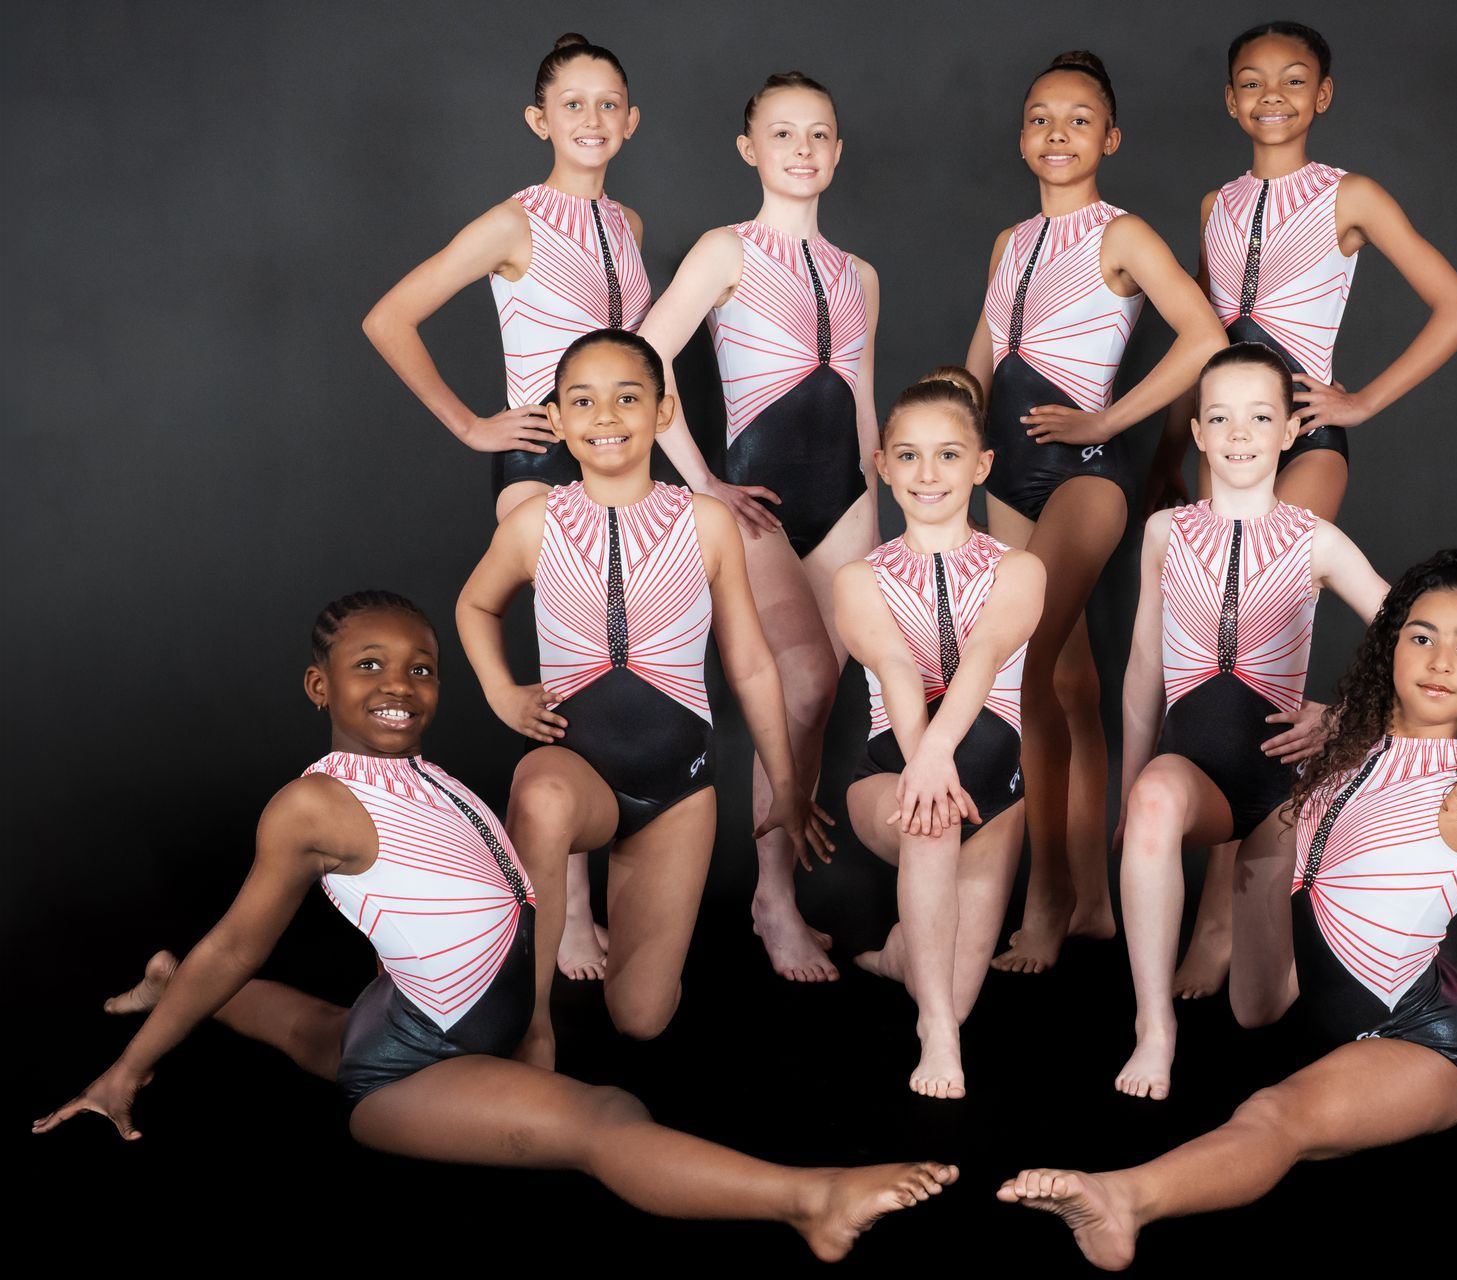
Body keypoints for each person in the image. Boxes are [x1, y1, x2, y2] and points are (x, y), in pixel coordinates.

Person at [32, 592, 956, 1263]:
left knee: (322, 1028)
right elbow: (238, 945)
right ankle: (808, 1199)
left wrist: (538, 1020)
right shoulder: (313, 807)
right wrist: (123, 1074)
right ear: (318, 685)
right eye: (369, 668)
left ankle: (166, 980)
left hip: (424, 1010)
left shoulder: (428, 774)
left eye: (420, 668)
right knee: (599, 1118)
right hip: (417, 1069)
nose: (400, 686)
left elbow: (501, 904)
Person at [1000, 550, 1457, 1268]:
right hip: (1423, 994)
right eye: (1422, 637)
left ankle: (1124, 1199)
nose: (1439, 660)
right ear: (1387, 648)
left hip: (1414, 1040)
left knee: (1277, 1115)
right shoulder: (1345, 745)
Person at [1145, 19, 1457, 1000]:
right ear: (1229, 98)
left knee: (1268, 631)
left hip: (1303, 435)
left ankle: (1221, 924)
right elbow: (1205, 350)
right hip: (1223, 443)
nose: (1273, 95)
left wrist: (1360, 400)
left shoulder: (1352, 194)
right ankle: (1238, 903)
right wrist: (1175, 454)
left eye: (1294, 80)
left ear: (1324, 94)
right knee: (1213, 660)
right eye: (1252, 81)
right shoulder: (1215, 202)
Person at [456, 329, 830, 1061]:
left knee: (641, 1017)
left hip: (678, 790)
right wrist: (502, 693)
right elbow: (475, 605)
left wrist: (786, 783)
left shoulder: (705, 522)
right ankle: (532, 1024)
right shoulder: (536, 523)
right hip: (575, 769)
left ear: (662, 413)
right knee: (541, 798)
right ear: (557, 421)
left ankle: (641, 967)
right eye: (583, 401)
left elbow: (751, 662)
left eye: (628, 397)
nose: (606, 415)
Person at [964, 50, 1229, 975]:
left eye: (1079, 119)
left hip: (1085, 471)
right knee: (1069, 689)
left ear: (1109, 139)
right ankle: (1094, 905)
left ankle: (1045, 896)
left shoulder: (1123, 235)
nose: (1058, 133)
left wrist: (1109, 418)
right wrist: (939, 433)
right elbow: (981, 365)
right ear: (1022, 136)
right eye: (1040, 117)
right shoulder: (1008, 243)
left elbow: (1204, 336)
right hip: (1003, 478)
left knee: (1025, 661)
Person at [638, 72, 880, 983]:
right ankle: (773, 898)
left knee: (816, 699)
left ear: (838, 150)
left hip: (850, 504)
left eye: (819, 134)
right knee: (806, 685)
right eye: (783, 135)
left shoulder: (860, 274)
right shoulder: (724, 250)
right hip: (757, 497)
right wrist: (704, 483)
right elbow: (646, 360)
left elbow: (858, 393)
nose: (803, 150)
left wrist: (881, 489)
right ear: (751, 150)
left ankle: (775, 886)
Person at [1113, 344, 1387, 1099]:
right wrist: (1132, 787)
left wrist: (1344, 718)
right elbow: (1143, 671)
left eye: (1260, 416)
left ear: (1289, 432)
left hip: (1275, 795)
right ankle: (1153, 1028)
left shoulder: (1314, 541)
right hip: (1190, 775)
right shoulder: (1166, 533)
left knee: (1259, 1012)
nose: (1240, 433)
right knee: (1156, 798)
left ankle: (1307, 952)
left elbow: (1413, 639)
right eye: (1222, 417)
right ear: (1198, 433)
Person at [837, 370, 1043, 1099]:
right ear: (884, 465)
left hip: (994, 797)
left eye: (950, 455)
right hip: (891, 783)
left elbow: (985, 655)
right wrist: (922, 761)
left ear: (982, 466)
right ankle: (938, 1037)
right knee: (928, 827)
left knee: (954, 987)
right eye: (911, 455)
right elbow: (895, 664)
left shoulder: (1021, 569)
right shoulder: (858, 578)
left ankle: (902, 956)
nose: (929, 474)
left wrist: (938, 755)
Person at [364, 33, 653, 524]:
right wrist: (471, 427)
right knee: (572, 602)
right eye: (573, 105)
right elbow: (387, 320)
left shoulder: (630, 223)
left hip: (625, 453)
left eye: (608, 104)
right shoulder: (514, 223)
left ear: (631, 120)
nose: (592, 120)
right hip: (544, 461)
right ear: (540, 121)